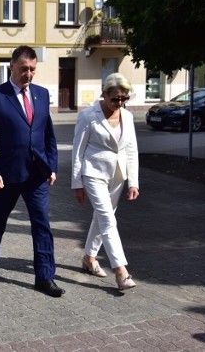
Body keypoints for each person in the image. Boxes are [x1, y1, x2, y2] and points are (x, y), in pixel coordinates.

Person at [0, 45, 63, 298]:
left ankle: (45, 276)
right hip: (5, 174)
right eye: (24, 68)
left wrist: (52, 166)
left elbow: (47, 133)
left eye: (33, 69)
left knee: (42, 225)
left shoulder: (41, 93)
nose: (28, 74)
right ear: (12, 66)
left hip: (37, 173)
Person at [71, 72, 139, 290]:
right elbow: (77, 151)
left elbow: (131, 150)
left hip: (118, 176)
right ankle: (121, 272)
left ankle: (89, 258)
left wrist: (133, 181)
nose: (119, 103)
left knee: (101, 219)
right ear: (104, 94)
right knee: (108, 221)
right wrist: (77, 183)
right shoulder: (88, 116)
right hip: (93, 173)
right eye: (115, 98)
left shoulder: (127, 117)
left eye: (124, 99)